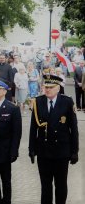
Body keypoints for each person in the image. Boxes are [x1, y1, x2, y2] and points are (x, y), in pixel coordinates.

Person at [29, 74, 79, 204]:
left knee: (61, 185)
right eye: (46, 87)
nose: (47, 90)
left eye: (51, 87)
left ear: (58, 88)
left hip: (61, 151)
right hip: (43, 151)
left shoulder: (67, 102)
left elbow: (73, 129)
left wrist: (74, 151)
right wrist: (32, 149)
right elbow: (33, 127)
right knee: (45, 186)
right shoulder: (38, 101)